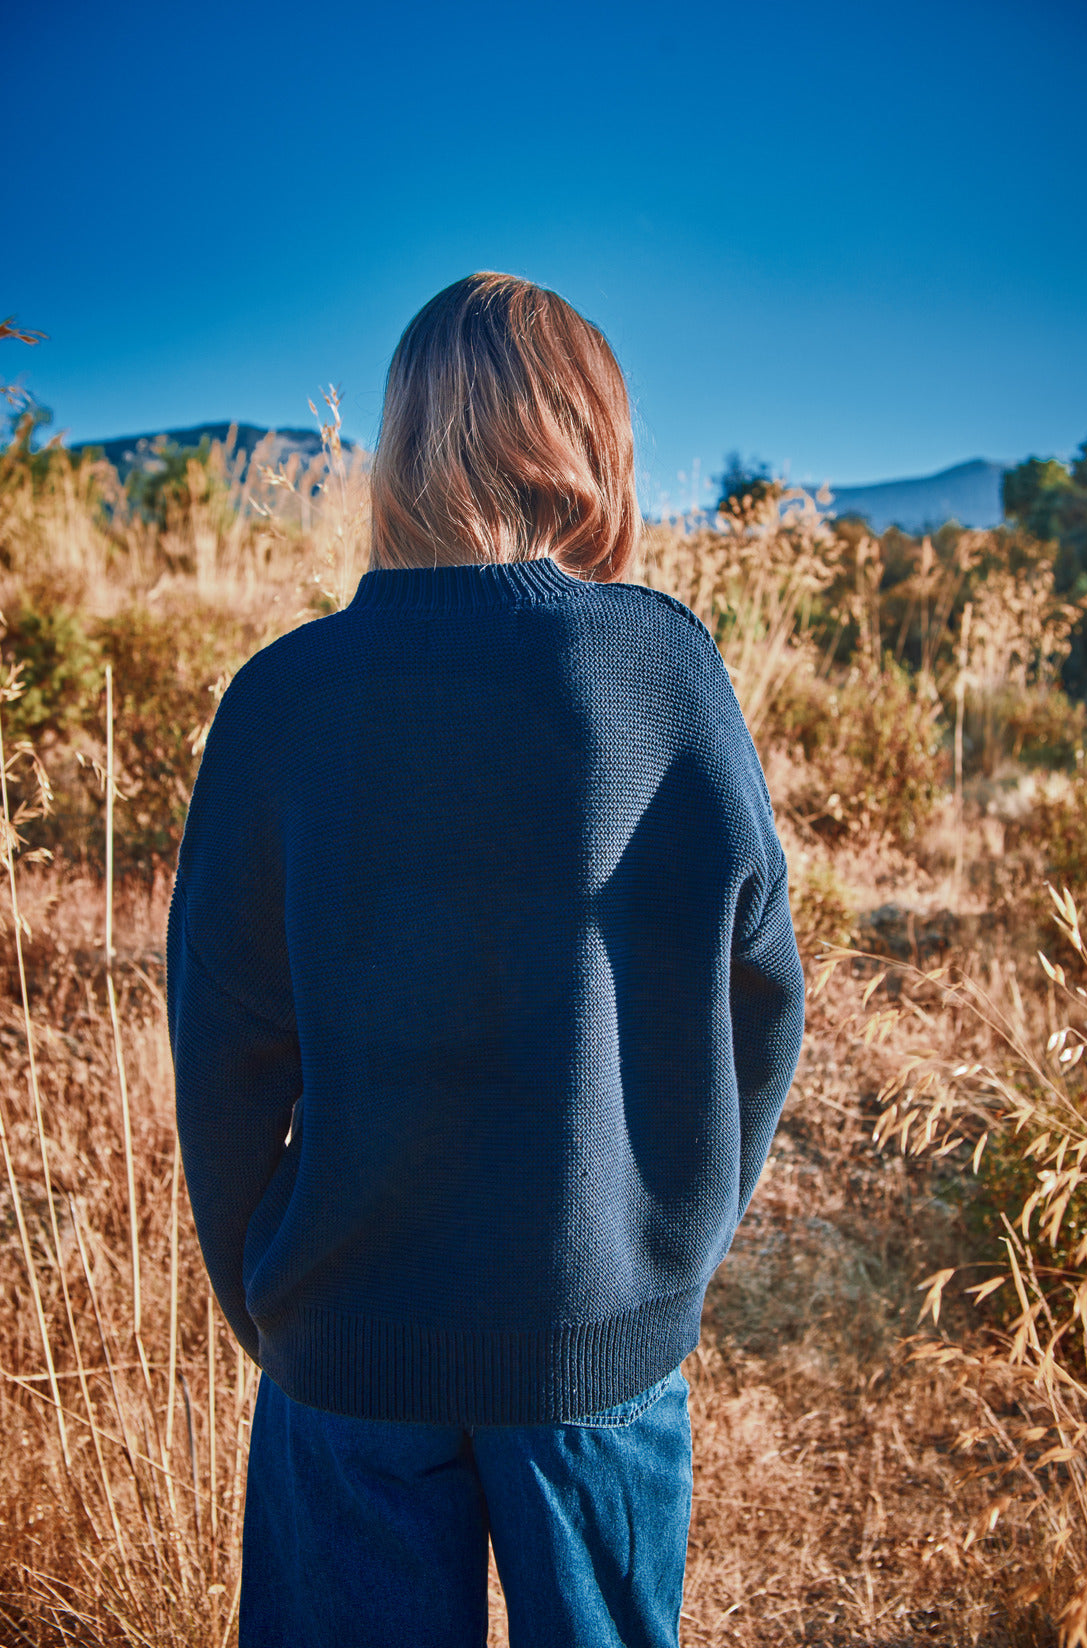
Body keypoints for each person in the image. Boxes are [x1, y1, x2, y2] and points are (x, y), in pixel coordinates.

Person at [165, 270, 805, 1647]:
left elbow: (223, 1040)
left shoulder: (282, 699)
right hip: (596, 1338)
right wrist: (667, 1247)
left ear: (404, 446)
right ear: (587, 437)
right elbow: (760, 992)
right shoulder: (660, 672)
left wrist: (273, 1289)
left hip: (345, 1334)